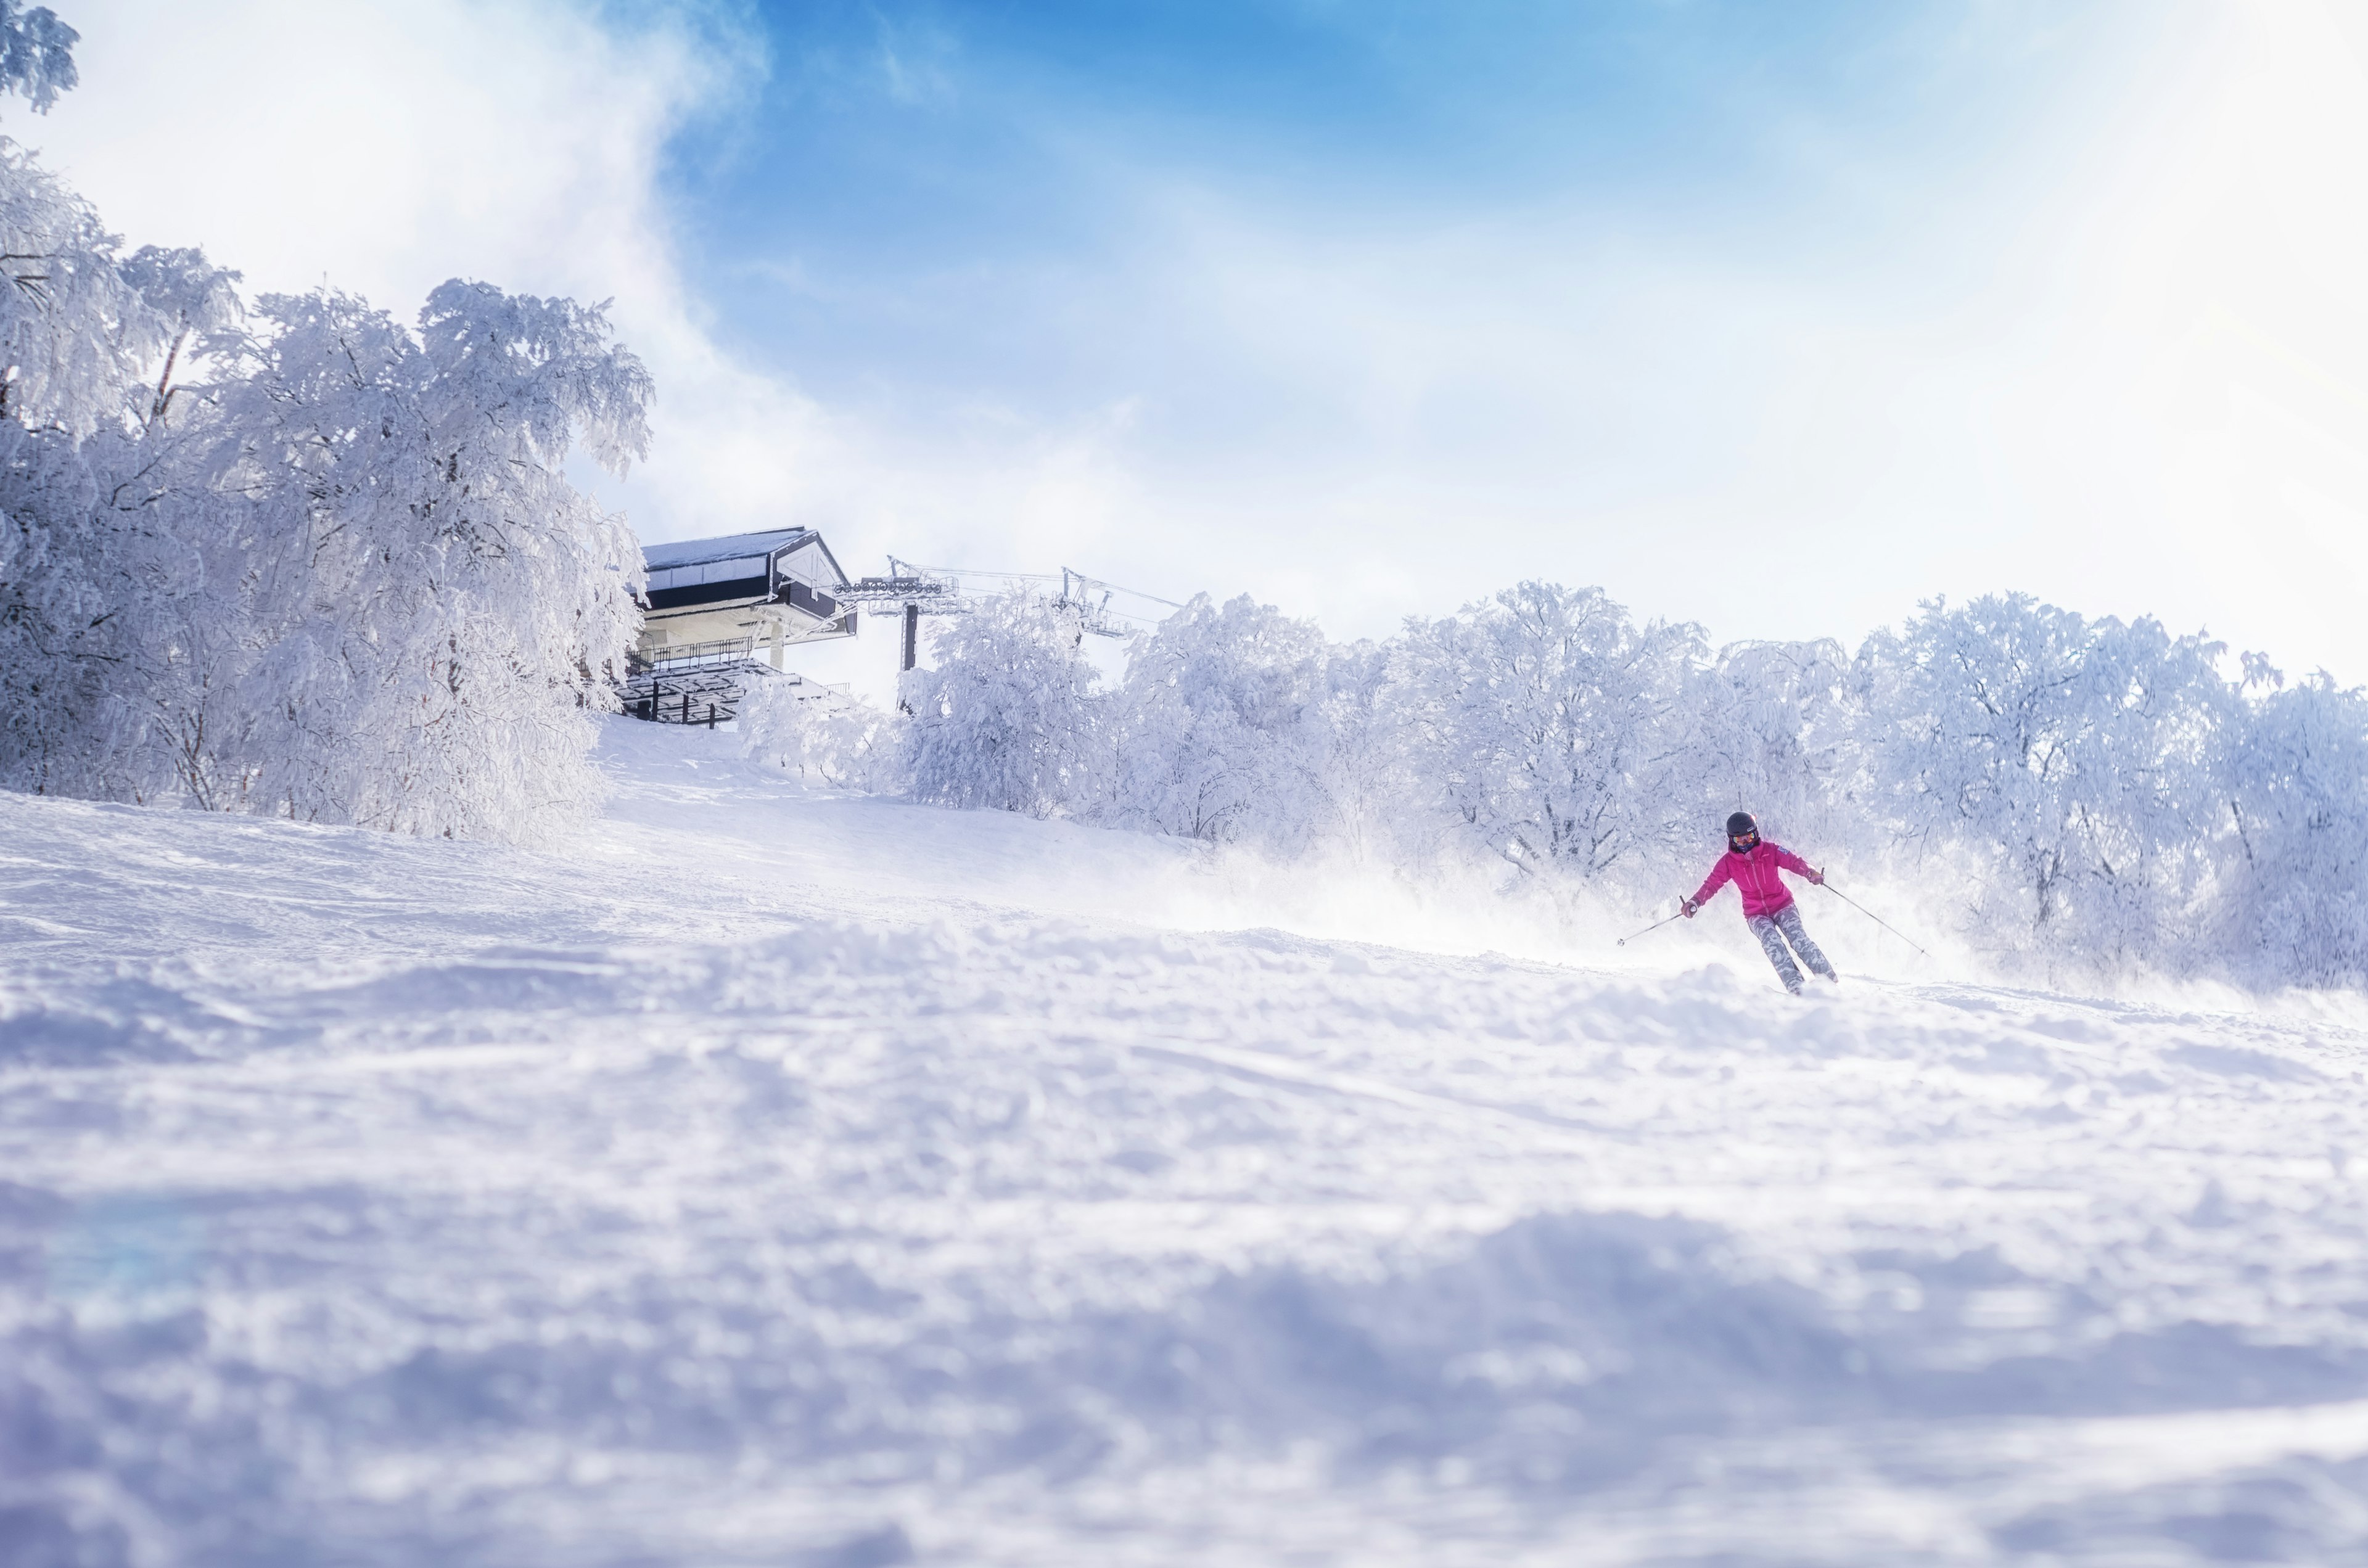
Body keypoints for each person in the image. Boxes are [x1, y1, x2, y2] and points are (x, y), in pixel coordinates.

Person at [1682, 811, 1838, 995]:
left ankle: (1828, 981)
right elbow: (1712, 884)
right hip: (1756, 914)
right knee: (1774, 946)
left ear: (1756, 833)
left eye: (1750, 837)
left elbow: (1794, 862)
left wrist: (1810, 872)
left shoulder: (1771, 851)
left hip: (1783, 905)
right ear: (1732, 840)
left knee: (1799, 940)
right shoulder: (1728, 863)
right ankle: (1798, 990)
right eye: (1740, 841)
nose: (1746, 843)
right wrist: (1696, 901)